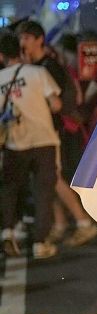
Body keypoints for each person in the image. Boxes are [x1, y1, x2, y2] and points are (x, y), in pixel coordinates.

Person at [17, 20, 97, 248]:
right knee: (44, 181)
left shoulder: (49, 66)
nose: (22, 43)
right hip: (38, 132)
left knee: (53, 179)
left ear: (38, 39)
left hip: (53, 131)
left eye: (26, 38)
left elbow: (58, 102)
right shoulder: (34, 66)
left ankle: (84, 223)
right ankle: (59, 225)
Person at [0, 32, 62, 259]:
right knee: (43, 191)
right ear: (21, 50)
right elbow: (56, 104)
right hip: (44, 140)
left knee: (10, 188)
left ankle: (7, 231)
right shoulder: (38, 73)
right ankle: (40, 242)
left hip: (15, 143)